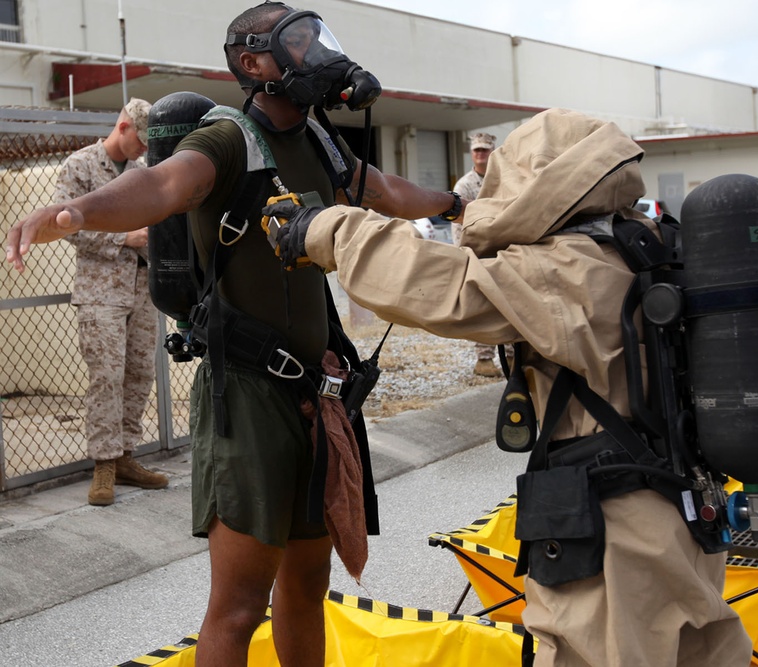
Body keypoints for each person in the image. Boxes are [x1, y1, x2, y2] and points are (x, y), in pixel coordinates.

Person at [6, 3, 467, 665]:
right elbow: (161, 184)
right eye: (299, 44)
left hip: (315, 394)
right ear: (253, 63)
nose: (319, 56)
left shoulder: (320, 141)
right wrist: (75, 211)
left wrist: (456, 204)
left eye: (318, 41)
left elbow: (386, 190)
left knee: (308, 584)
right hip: (247, 398)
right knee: (241, 605)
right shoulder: (228, 138)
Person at [260, 107, 753, 667]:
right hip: (685, 509)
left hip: (616, 527)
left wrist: (324, 227)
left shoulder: (569, 267)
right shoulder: (649, 245)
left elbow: (436, 283)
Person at [54, 97, 169, 506]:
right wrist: (125, 237)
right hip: (101, 291)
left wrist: (148, 240)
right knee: (106, 374)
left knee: (140, 371)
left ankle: (125, 457)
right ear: (123, 127)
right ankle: (103, 463)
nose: (143, 150)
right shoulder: (79, 167)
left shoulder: (142, 175)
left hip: (141, 287)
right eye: (141, 140)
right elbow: (63, 226)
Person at [452, 131, 509, 377]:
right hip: (478, 253)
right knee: (483, 306)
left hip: (504, 251)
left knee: (509, 303)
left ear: (492, 152)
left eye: (485, 150)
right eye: (477, 150)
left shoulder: (505, 181)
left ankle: (513, 356)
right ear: (471, 153)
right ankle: (484, 359)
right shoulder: (464, 186)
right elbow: (457, 221)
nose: (480, 154)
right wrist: (464, 254)